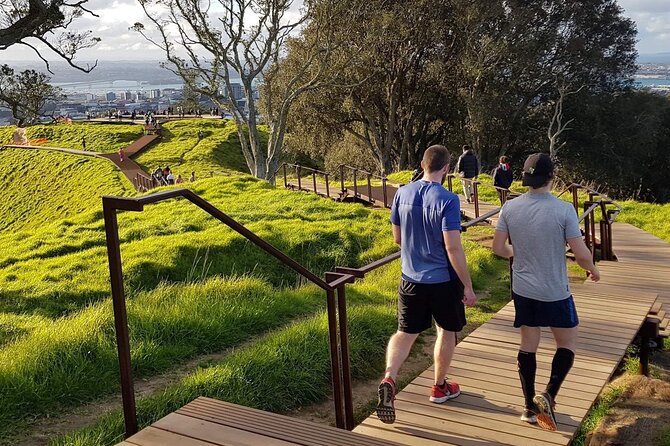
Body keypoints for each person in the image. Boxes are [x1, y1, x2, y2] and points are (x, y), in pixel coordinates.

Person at [492, 153, 600, 431]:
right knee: (567, 343)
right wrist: (593, 270)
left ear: (527, 178)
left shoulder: (510, 208)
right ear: (552, 177)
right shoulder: (564, 210)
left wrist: (518, 251)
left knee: (528, 343)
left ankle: (528, 408)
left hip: (523, 288)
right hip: (554, 289)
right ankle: (549, 394)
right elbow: (581, 253)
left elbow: (498, 249)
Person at [376, 144, 478, 425]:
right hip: (442, 280)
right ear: (446, 168)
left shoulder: (402, 193)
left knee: (405, 333)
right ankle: (439, 386)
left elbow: (397, 238)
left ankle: (389, 377)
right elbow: (453, 248)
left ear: (422, 164)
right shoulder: (448, 199)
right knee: (446, 330)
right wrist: (467, 286)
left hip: (410, 278)